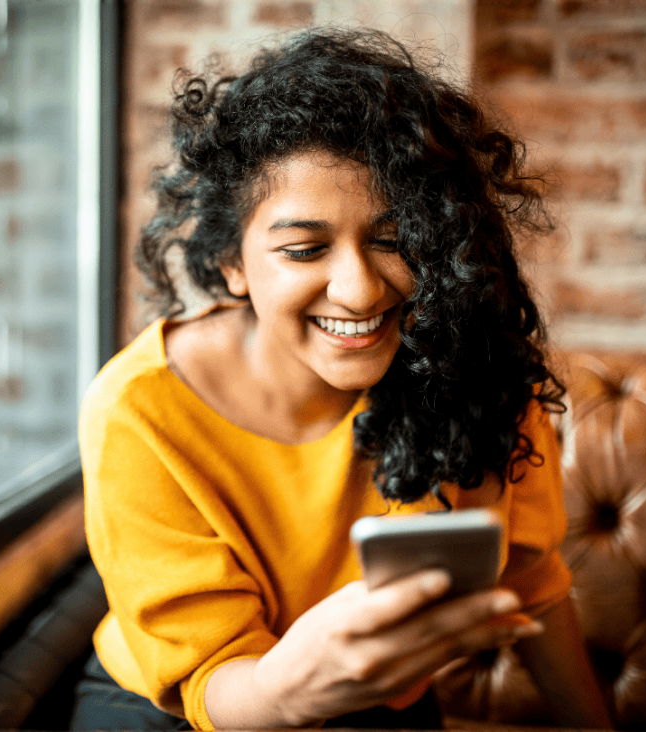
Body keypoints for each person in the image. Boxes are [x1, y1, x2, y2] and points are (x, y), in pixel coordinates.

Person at [74, 28, 611, 731]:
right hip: (181, 709)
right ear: (232, 263)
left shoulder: (474, 368)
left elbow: (533, 583)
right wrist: (293, 692)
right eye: (304, 249)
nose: (359, 291)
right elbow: (211, 678)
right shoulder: (138, 410)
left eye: (393, 240)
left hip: (374, 705)